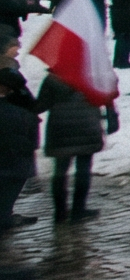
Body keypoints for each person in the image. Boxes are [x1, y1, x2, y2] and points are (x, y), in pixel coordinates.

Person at [37, 68, 110, 222]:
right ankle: (78, 210)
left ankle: (60, 212)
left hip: (60, 128)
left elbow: (40, 106)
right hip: (87, 125)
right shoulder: (91, 74)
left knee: (60, 171)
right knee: (83, 169)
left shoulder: (52, 78)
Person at [0, 37, 38, 230]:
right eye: (14, 46)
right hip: (13, 140)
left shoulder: (12, 70)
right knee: (11, 181)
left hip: (15, 138)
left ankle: (6, 215)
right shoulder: (8, 72)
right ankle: (5, 217)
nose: (17, 50)